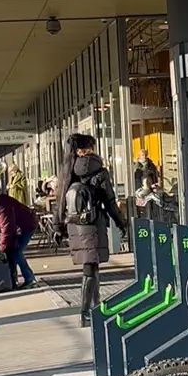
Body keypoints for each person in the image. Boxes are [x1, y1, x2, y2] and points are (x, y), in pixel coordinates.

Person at [54, 133, 128, 327]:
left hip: (74, 224)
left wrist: (57, 227)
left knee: (90, 266)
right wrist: (122, 223)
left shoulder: (67, 171)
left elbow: (60, 202)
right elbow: (110, 202)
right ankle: (86, 312)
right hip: (93, 223)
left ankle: (94, 308)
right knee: (91, 268)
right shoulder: (99, 171)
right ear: (89, 149)